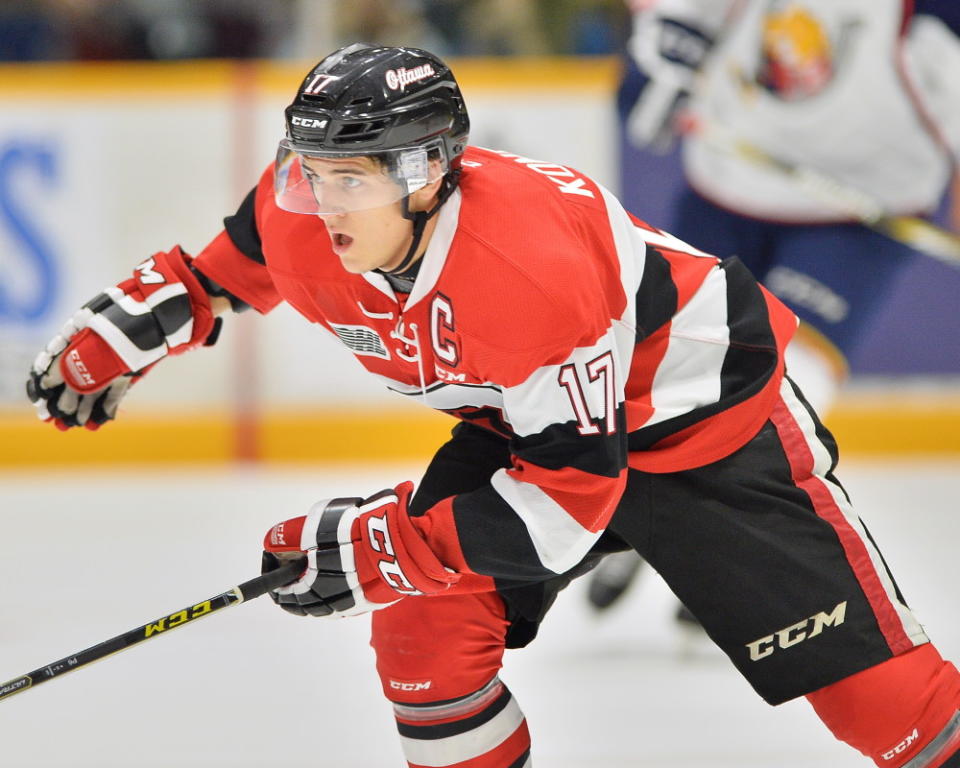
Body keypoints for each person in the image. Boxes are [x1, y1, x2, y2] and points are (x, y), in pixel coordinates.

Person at [25, 43, 960, 768]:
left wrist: (383, 541)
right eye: (310, 169)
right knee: (425, 630)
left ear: (428, 173)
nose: (319, 198)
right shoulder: (304, 215)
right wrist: (151, 319)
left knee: (890, 714)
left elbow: (568, 506)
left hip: (707, 429)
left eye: (348, 176)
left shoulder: (526, 267)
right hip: (540, 430)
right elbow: (234, 265)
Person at [588, 0, 960, 615]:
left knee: (786, 372)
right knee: (665, 364)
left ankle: (711, 531)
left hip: (861, 209)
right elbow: (657, 66)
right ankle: (631, 514)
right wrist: (655, 82)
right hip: (729, 186)